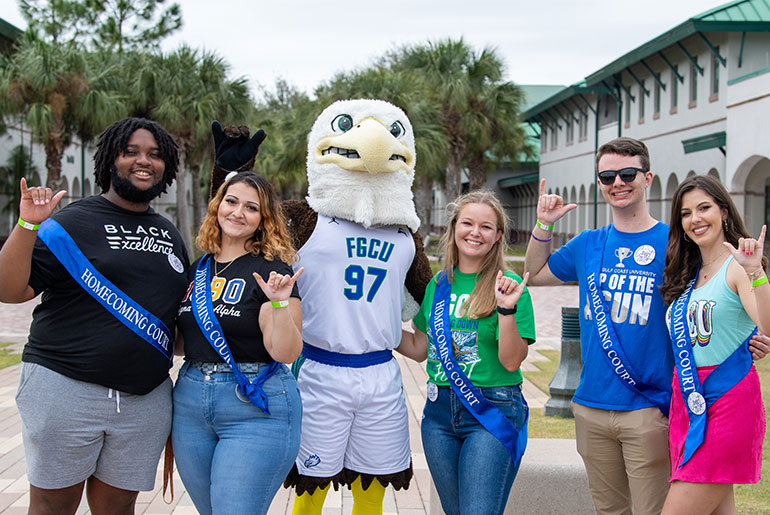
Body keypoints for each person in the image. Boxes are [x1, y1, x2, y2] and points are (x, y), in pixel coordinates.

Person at [524, 137, 770, 515]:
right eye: (607, 176)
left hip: (655, 407)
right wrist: (543, 224)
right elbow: (535, 274)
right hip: (592, 404)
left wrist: (749, 334)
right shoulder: (590, 243)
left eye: (627, 173)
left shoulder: (676, 242)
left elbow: (724, 293)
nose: (617, 182)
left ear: (647, 178)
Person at [0, 117, 189, 515]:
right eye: (131, 151)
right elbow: (9, 290)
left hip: (144, 399)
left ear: (166, 166)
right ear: (110, 160)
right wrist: (26, 225)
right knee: (53, 506)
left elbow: (176, 319)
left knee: (118, 508)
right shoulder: (69, 222)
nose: (144, 161)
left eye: (155, 155)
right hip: (65, 386)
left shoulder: (169, 234)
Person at [171, 170, 303, 515]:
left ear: (264, 220)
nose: (237, 212)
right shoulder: (196, 269)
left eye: (251, 207)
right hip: (190, 402)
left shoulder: (271, 271)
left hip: (253, 402)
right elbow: (182, 343)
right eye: (231, 201)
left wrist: (277, 303)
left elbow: (285, 351)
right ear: (218, 206)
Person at [397, 190, 535, 515]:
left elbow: (512, 361)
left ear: (498, 235)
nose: (475, 232)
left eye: (486, 227)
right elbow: (419, 348)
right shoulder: (438, 285)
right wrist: (377, 329)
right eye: (468, 223)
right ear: (454, 227)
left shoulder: (510, 286)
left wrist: (506, 311)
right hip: (439, 415)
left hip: (491, 410)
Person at [659, 175, 766, 515]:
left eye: (704, 208)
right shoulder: (690, 274)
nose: (696, 219)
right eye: (686, 213)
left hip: (726, 403)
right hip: (688, 406)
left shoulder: (738, 267)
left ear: (723, 211)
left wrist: (756, 273)